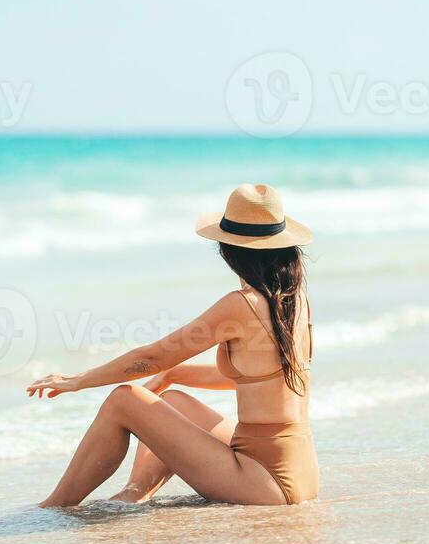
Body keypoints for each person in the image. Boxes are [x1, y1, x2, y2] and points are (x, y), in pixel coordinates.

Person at [27, 183, 318, 507]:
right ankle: (133, 494)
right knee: (175, 400)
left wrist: (77, 380)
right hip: (301, 471)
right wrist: (173, 375)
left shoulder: (242, 304)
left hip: (262, 480)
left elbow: (153, 357)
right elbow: (263, 379)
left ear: (229, 251)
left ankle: (53, 507)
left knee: (123, 400)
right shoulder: (294, 301)